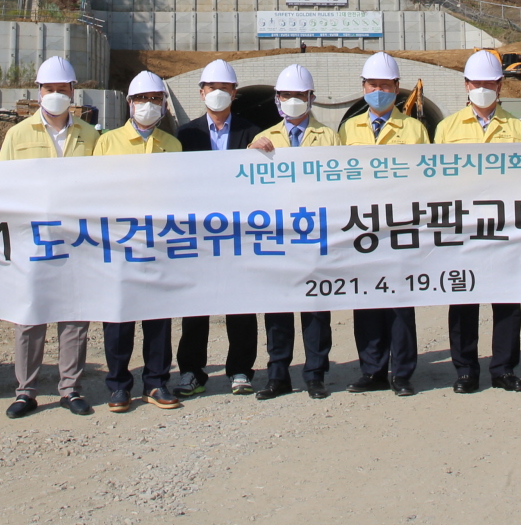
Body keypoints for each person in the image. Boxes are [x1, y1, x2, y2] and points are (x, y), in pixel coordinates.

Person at [0, 55, 99, 419]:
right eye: (49, 89)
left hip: (75, 238)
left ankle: (70, 388)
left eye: (62, 89)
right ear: (38, 91)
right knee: (31, 316)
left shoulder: (89, 136)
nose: (55, 94)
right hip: (32, 238)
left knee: (74, 317)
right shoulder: (17, 135)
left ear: (73, 92)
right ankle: (26, 391)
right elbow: (3, 187)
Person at [431, 49, 521, 393]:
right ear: (466, 85)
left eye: (490, 82)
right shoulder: (447, 128)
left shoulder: (517, 128)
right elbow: (436, 182)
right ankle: (465, 370)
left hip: (504, 228)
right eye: (477, 82)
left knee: (506, 302)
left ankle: (503, 368)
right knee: (463, 300)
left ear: (501, 85)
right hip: (462, 228)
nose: (483, 88)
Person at [244, 64, 340, 399]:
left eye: (300, 95)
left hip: (315, 235)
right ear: (277, 100)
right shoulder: (263, 138)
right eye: (287, 95)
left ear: (312, 98)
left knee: (316, 309)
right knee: (278, 309)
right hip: (277, 236)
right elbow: (247, 186)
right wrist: (251, 157)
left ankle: (315, 374)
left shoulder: (329, 138)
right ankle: (278, 374)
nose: (293, 101)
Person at [339, 51, 428, 397]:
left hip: (401, 226)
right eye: (373, 84)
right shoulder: (349, 129)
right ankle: (372, 368)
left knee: (401, 303)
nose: (379, 90)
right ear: (363, 87)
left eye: (386, 85)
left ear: (397, 88)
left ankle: (402, 372)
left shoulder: (414, 129)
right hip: (362, 228)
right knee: (367, 302)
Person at [94, 71, 184, 411]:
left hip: (160, 243)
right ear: (129, 103)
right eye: (141, 99)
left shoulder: (172, 145)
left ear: (164, 105)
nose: (148, 105)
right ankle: (118, 384)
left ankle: (157, 382)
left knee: (158, 318)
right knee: (119, 317)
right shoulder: (107, 143)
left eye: (155, 99)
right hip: (119, 243)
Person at [174, 58, 263, 398]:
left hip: (238, 233)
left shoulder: (251, 133)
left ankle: (240, 369)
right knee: (195, 307)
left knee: (241, 303)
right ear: (201, 93)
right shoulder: (186, 135)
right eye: (212, 88)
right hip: (197, 234)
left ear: (234, 93)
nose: (218, 94)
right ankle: (192, 371)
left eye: (225, 89)